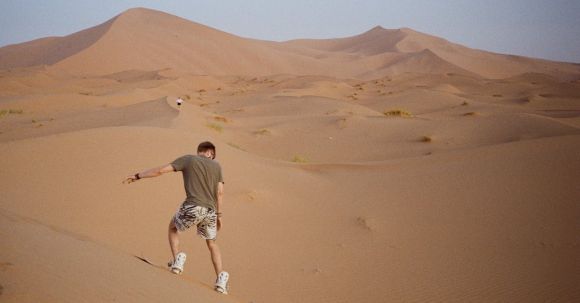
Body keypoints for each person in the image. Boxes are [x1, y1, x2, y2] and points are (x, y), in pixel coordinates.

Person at [123, 141, 229, 294]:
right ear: (209, 153)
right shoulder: (217, 166)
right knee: (212, 243)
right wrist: (219, 214)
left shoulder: (188, 159)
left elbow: (160, 171)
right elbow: (220, 192)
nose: (211, 158)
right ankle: (221, 278)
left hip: (193, 206)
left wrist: (138, 176)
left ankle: (178, 260)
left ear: (201, 151)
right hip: (211, 211)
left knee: (173, 227)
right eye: (212, 155)